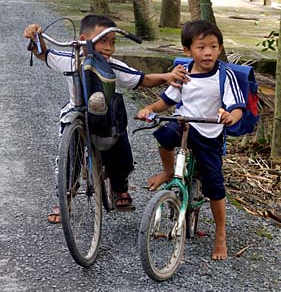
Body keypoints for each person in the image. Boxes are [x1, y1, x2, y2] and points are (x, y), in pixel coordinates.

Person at [24, 14, 188, 222]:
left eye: (112, 42)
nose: (109, 47)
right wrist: (35, 36)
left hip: (106, 115)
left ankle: (119, 186)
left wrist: (166, 77)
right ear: (83, 39)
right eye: (102, 41)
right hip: (76, 112)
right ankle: (66, 195)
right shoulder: (70, 59)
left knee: (117, 140)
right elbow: (44, 54)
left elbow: (142, 79)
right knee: (69, 150)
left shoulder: (113, 65)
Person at [137, 19, 245, 260]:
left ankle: (220, 234)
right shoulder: (183, 74)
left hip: (209, 133)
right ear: (187, 50)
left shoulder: (224, 76)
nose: (208, 52)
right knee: (163, 134)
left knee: (214, 185)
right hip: (185, 124)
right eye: (201, 47)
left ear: (220, 48)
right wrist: (149, 109)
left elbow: (238, 107)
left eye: (213, 46)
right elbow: (166, 101)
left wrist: (230, 116)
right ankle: (168, 171)